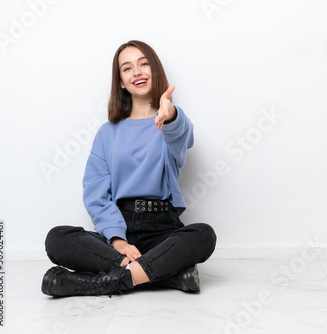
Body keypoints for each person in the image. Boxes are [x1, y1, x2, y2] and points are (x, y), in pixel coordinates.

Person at [41, 40, 217, 297]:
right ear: (121, 82)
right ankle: (166, 275)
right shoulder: (107, 133)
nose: (137, 72)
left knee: (204, 235)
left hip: (163, 229)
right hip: (119, 225)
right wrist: (117, 239)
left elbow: (183, 138)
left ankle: (97, 283)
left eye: (144, 64)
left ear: (154, 71)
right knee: (57, 238)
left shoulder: (171, 121)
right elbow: (96, 194)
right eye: (127, 68)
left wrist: (171, 116)